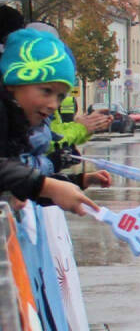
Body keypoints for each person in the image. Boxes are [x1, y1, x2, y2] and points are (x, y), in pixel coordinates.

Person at [0, 28, 101, 214]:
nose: (54, 104)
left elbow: (18, 181)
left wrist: (78, 181)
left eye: (61, 97)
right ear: (14, 83)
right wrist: (46, 186)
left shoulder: (19, 124)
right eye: (46, 90)